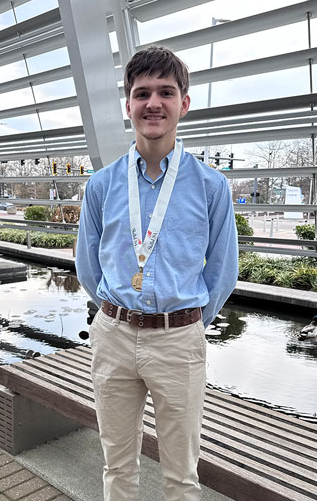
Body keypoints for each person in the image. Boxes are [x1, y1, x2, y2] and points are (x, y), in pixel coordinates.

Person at [75, 45, 238, 500]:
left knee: (182, 472)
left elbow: (223, 271)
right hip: (113, 334)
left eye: (166, 92)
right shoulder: (103, 184)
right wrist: (114, 312)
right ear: (127, 103)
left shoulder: (211, 186)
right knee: (117, 465)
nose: (153, 103)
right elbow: (88, 264)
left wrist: (186, 327)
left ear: (183, 103)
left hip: (178, 339)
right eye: (141, 92)